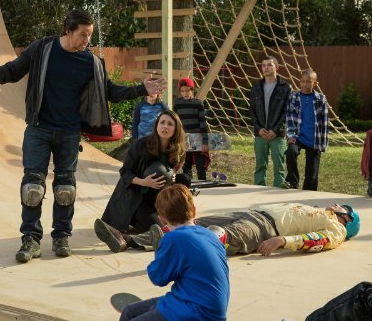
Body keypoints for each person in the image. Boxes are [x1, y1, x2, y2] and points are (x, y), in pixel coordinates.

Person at [0, 9, 167, 263]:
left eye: (90, 35)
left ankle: (61, 237)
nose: (87, 40)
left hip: (69, 132)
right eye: (83, 34)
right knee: (32, 187)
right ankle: (31, 239)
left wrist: (141, 89)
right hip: (39, 129)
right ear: (68, 30)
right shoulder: (42, 49)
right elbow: (12, 71)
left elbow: (110, 91)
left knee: (65, 188)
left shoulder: (90, 62)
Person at [119, 184, 230, 321]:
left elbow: (158, 278)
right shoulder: (209, 235)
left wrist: (159, 257)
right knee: (130, 311)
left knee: (131, 316)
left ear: (161, 218)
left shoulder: (174, 238)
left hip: (195, 311)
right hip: (207, 307)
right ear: (194, 211)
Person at [94, 110, 188, 253]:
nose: (165, 126)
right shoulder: (141, 145)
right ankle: (121, 237)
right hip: (135, 199)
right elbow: (125, 172)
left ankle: (128, 238)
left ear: (176, 129)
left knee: (185, 180)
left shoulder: (177, 150)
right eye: (162, 122)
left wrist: (172, 176)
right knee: (159, 230)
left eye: (170, 124)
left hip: (156, 199)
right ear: (156, 125)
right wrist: (144, 182)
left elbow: (172, 169)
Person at [151, 202, 361, 256]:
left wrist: (282, 241)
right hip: (251, 213)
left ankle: (178, 245)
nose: (336, 205)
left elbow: (317, 240)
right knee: (192, 222)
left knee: (224, 235)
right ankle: (137, 239)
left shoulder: (337, 229)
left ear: (348, 219)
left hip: (263, 227)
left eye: (342, 207)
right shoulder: (321, 212)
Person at [282, 69, 329, 191]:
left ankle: (308, 193)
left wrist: (323, 143)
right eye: (302, 81)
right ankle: (292, 182)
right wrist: (291, 135)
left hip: (314, 140)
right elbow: (289, 119)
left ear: (315, 83)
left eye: (308, 82)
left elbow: (324, 123)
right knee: (290, 152)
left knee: (312, 174)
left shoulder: (321, 99)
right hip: (298, 137)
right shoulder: (293, 97)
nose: (305, 84)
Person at [249, 56, 291, 187]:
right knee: (260, 166)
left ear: (277, 67)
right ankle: (258, 189)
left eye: (269, 65)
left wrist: (275, 130)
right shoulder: (256, 88)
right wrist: (258, 129)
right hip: (260, 134)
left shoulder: (285, 88)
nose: (266, 68)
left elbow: (287, 112)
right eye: (263, 65)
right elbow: (252, 111)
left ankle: (277, 193)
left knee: (279, 167)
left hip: (277, 135)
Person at [173, 77, 209, 181]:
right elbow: (176, 124)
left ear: (192, 90)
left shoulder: (198, 103)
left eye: (187, 90)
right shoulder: (177, 104)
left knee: (200, 166)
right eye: (182, 91)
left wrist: (205, 142)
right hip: (183, 139)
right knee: (186, 166)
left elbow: (203, 123)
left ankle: (203, 184)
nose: (185, 93)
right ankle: (188, 185)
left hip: (197, 139)